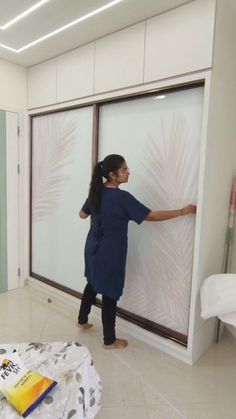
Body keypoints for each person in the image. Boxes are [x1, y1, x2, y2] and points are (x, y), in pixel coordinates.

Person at [78, 154, 196, 349]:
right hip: (110, 253)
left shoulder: (96, 193)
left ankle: (82, 320)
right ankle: (109, 340)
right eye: (124, 170)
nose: (128, 172)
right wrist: (182, 212)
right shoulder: (122, 198)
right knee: (109, 292)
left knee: (92, 282)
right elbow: (150, 216)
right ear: (112, 175)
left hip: (91, 248)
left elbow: (82, 215)